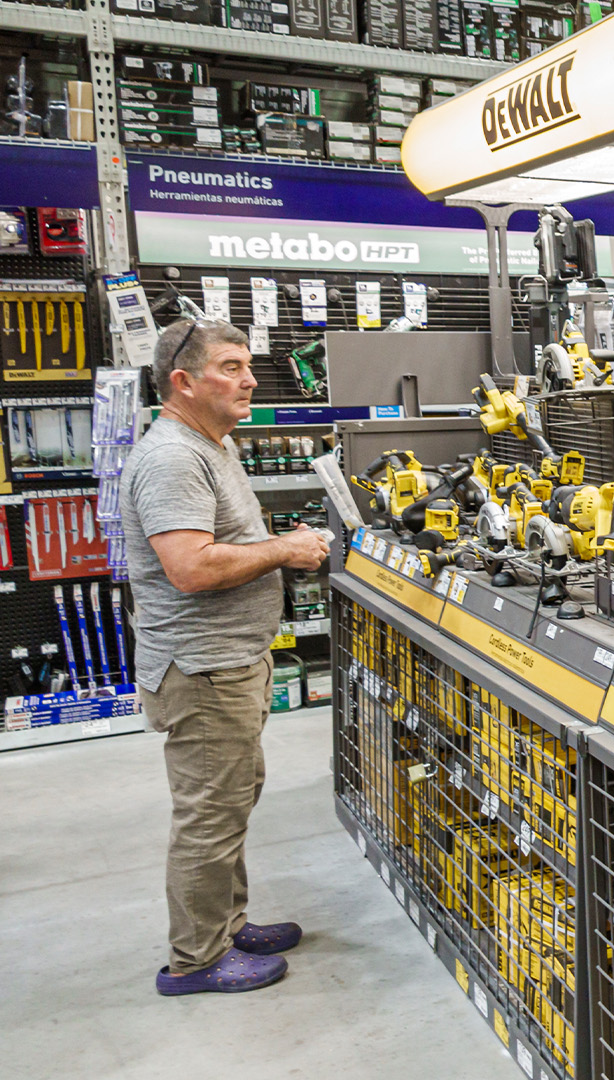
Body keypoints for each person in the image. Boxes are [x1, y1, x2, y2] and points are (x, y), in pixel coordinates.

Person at [122, 318, 330, 995]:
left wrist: (273, 543)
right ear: (183, 382)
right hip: (201, 667)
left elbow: (217, 539)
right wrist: (282, 550)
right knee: (209, 814)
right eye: (232, 367)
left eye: (248, 366)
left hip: (227, 661)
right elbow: (190, 567)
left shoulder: (212, 444)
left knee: (231, 801)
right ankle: (197, 960)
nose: (248, 379)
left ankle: (224, 924)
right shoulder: (173, 458)